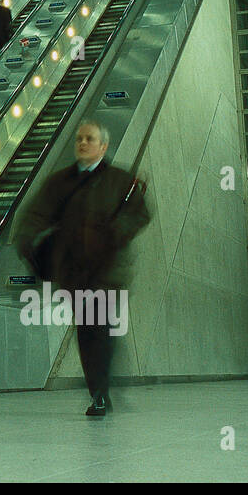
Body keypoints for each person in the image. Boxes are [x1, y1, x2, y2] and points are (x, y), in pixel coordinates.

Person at [13, 120, 150, 417]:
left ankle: (100, 393)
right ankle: (101, 387)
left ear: (103, 146)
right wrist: (27, 240)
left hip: (107, 270)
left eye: (89, 139)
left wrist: (116, 232)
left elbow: (140, 213)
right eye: (79, 139)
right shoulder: (59, 182)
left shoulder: (119, 181)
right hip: (75, 271)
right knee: (89, 330)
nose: (82, 143)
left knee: (96, 326)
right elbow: (35, 215)